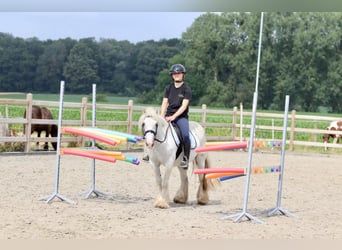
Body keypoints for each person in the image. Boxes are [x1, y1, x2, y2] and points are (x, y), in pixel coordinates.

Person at [142, 64, 192, 169]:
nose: (177, 75)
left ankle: (185, 158)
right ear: (172, 75)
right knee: (152, 130)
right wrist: (161, 116)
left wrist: (174, 117)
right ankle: (148, 153)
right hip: (167, 116)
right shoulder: (168, 88)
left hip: (180, 117)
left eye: (179, 73)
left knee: (185, 135)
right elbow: (165, 103)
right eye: (174, 73)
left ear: (183, 75)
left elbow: (184, 106)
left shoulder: (186, 89)